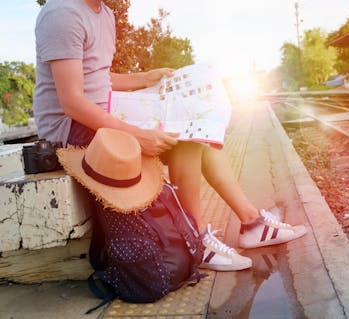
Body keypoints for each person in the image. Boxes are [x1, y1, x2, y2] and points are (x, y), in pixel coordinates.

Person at [34, 0, 306, 272]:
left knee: (198, 127)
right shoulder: (62, 13)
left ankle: (251, 222)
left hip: (103, 110)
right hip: (71, 128)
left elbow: (98, 76)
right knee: (184, 139)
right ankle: (195, 239)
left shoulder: (104, 14)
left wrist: (145, 77)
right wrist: (138, 135)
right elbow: (71, 101)